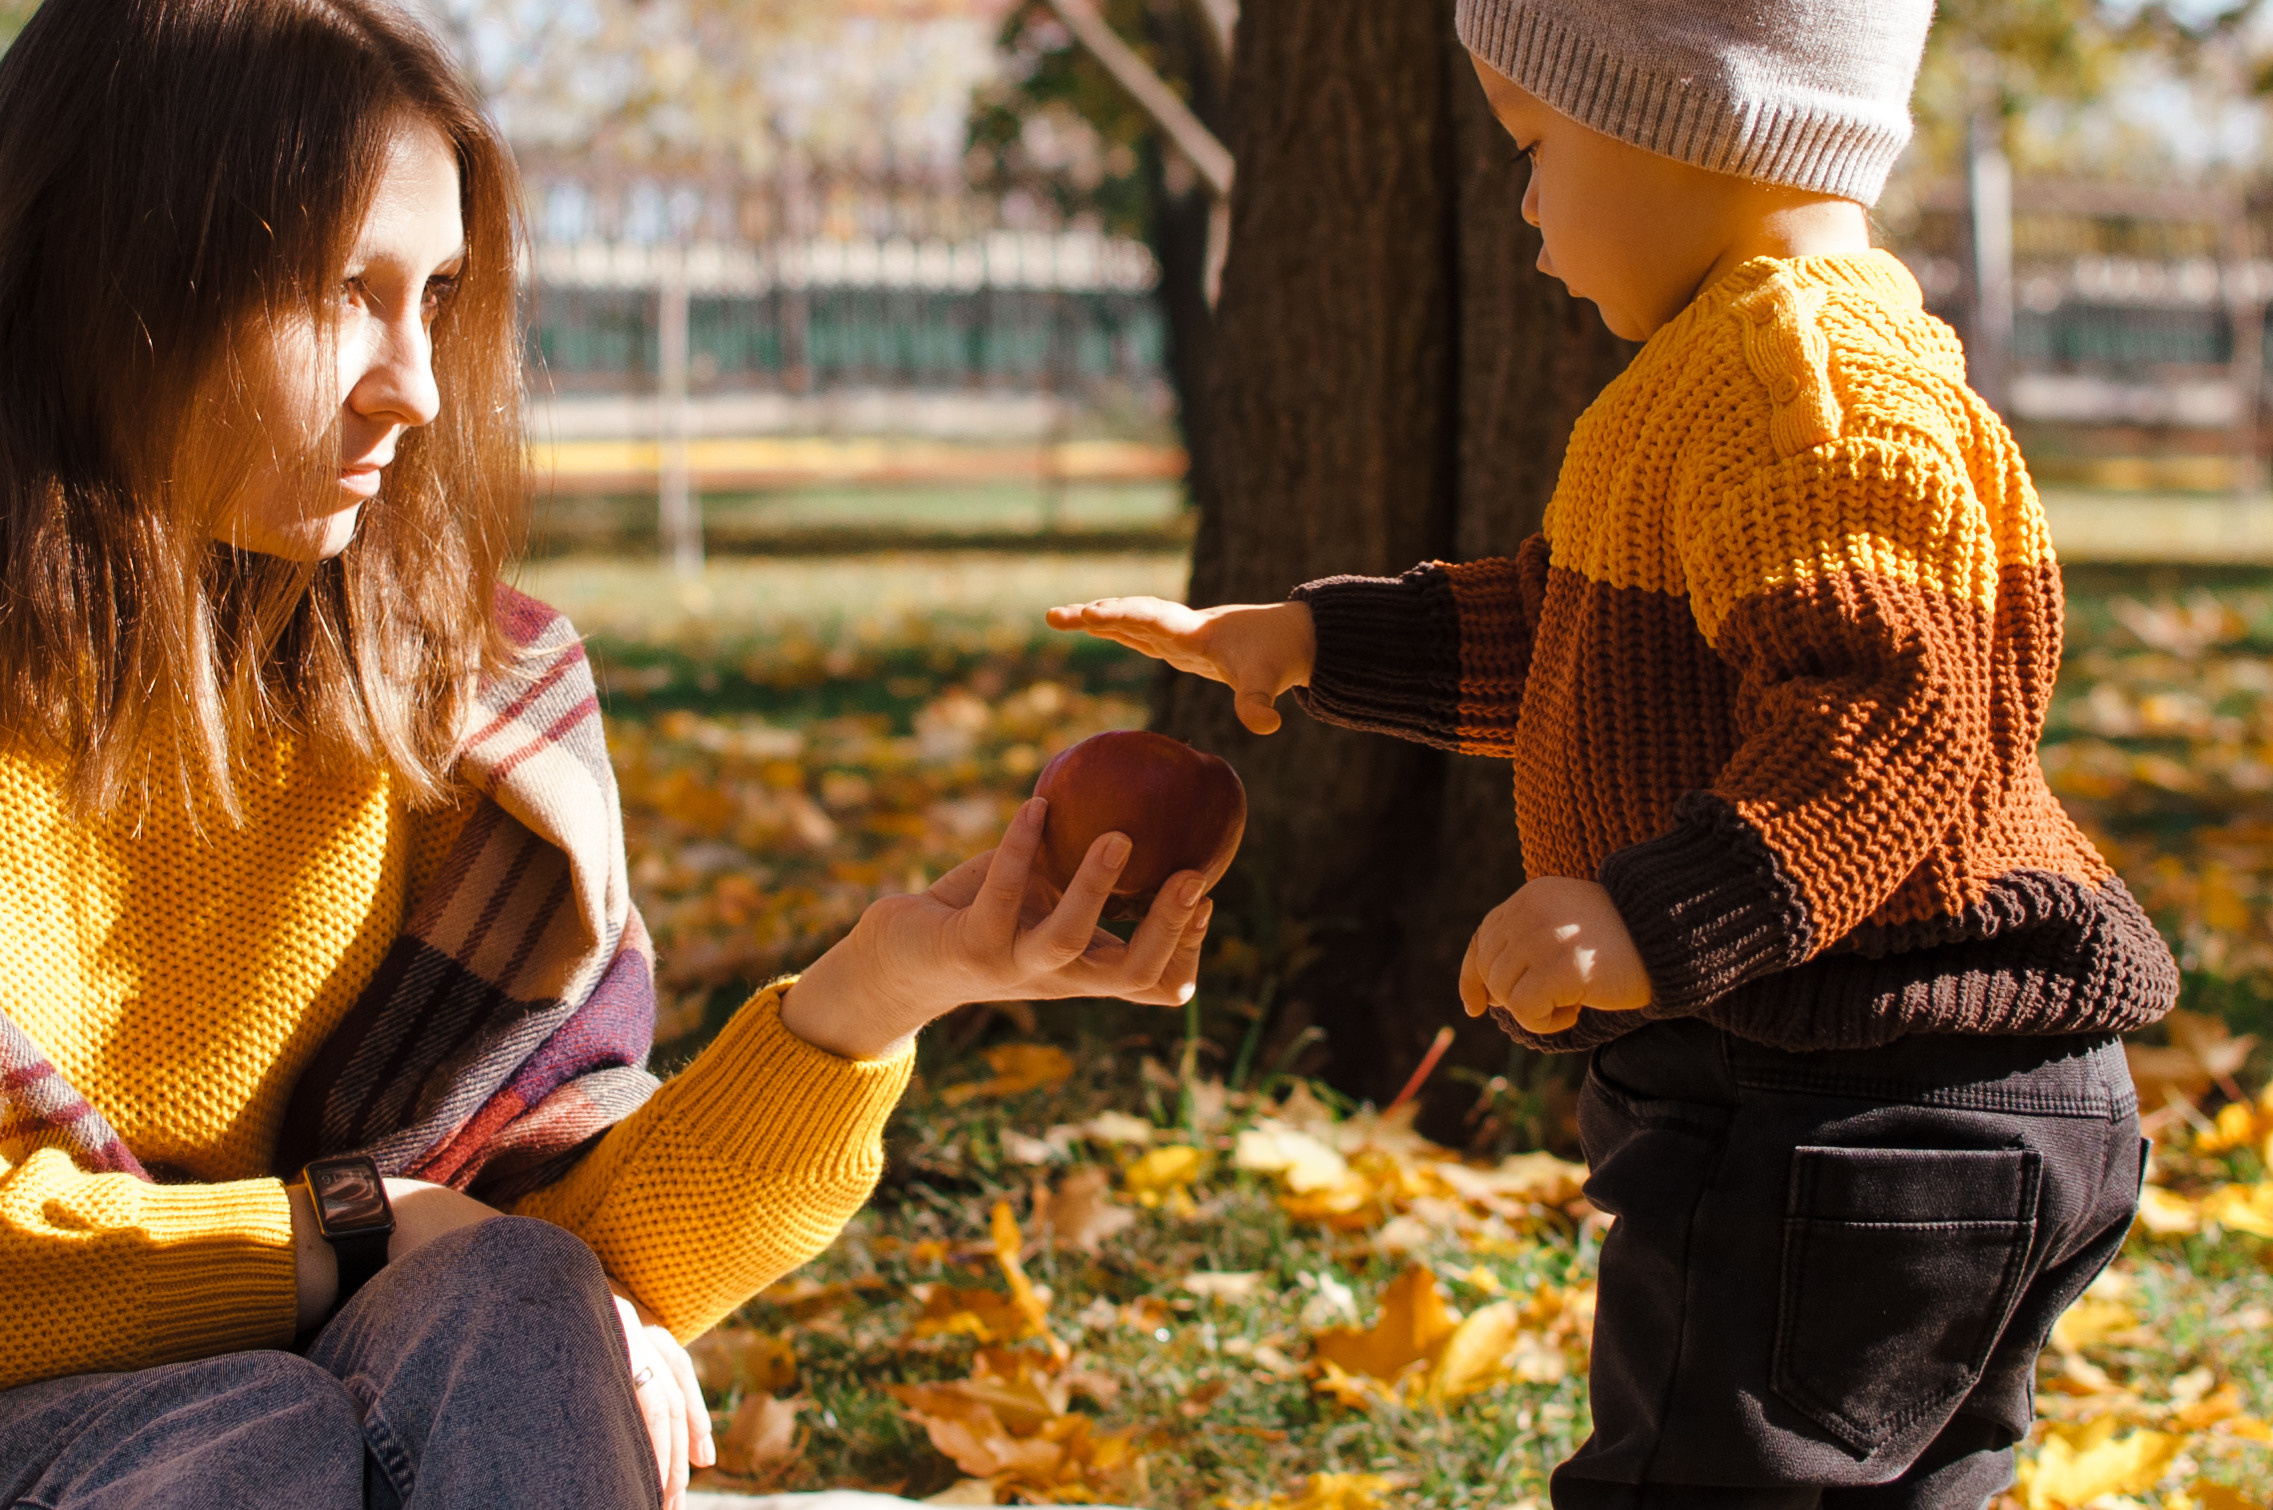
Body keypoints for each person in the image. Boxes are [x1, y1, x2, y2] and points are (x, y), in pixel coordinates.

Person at [0, 0, 1213, 1505]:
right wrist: (349, 1231)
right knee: (269, 1426)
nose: (415, 385)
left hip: (354, 1382)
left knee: (512, 1298)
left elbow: (566, 1245)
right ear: (107, 277)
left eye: (435, 294)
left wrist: (888, 984)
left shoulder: (467, 703)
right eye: (338, 294)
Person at [1053, 3, 2176, 1506]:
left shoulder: (1803, 383)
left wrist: (1653, 919)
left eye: (1532, 148)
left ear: (1689, 117)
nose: (1522, 206)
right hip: (1930, 1101)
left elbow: (1891, 709)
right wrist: (1315, 642)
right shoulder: (1741, 372)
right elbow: (1586, 645)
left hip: (1850, 1103)